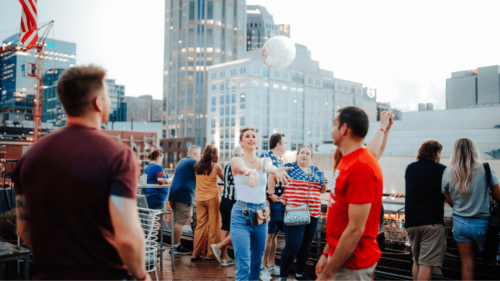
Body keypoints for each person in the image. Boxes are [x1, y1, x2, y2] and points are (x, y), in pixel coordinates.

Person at [12, 65, 151, 281]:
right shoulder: (118, 156)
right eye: (107, 95)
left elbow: (23, 230)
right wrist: (142, 276)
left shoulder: (30, 157)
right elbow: (128, 238)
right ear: (97, 102)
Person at [316, 106, 384, 281]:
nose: (331, 131)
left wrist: (329, 272)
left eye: (334, 125)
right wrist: (326, 253)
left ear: (344, 129)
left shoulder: (361, 166)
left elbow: (355, 229)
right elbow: (340, 215)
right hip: (340, 257)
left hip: (351, 264)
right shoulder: (347, 160)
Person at [230, 127, 291, 281]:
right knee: (244, 265)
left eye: (254, 136)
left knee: (257, 263)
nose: (251, 138)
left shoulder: (265, 161)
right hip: (241, 214)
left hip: (261, 214)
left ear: (257, 142)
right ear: (241, 142)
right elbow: (241, 168)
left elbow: (269, 168)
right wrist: (249, 171)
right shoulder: (236, 160)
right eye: (247, 136)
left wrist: (276, 170)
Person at [442, 138, 500, 281]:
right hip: (484, 225)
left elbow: (450, 201)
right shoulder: (485, 168)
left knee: (467, 265)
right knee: (495, 262)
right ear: (474, 150)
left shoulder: (448, 172)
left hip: (460, 224)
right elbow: (498, 196)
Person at [269, 145, 328, 281]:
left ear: (311, 157)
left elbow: (321, 191)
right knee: (293, 245)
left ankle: (299, 275)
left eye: (308, 153)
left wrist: (324, 183)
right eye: (302, 152)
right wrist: (271, 194)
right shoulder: (290, 167)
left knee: (306, 246)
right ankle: (283, 277)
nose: (305, 155)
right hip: (294, 210)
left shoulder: (315, 170)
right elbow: (272, 176)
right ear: (298, 155)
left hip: (313, 213)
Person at [405, 140, 446, 281]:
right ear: (435, 153)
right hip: (432, 222)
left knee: (416, 261)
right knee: (426, 264)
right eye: (439, 152)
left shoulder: (410, 168)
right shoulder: (442, 169)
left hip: (412, 223)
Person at [260, 133, 287, 280]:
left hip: (279, 202)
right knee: (267, 235)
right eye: (285, 142)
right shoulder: (266, 157)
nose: (287, 145)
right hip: (269, 202)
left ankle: (271, 264)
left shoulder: (281, 160)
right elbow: (264, 177)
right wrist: (267, 197)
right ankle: (262, 267)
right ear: (278, 144)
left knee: (274, 234)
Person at [211, 145, 243, 267]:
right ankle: (218, 248)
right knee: (237, 228)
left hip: (224, 200)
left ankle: (224, 257)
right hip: (234, 202)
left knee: (225, 227)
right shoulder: (239, 167)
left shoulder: (227, 165)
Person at [191, 144, 224, 261]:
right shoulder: (216, 166)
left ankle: (195, 253)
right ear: (215, 154)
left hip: (199, 198)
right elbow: (225, 179)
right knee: (214, 225)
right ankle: (210, 254)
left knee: (200, 225)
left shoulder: (197, 166)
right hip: (212, 198)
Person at [168, 145, 201, 255]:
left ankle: (174, 245)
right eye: (200, 154)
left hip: (173, 194)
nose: (200, 156)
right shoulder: (194, 162)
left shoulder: (181, 161)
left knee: (176, 221)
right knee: (180, 222)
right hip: (184, 195)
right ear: (196, 153)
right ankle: (176, 247)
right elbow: (201, 176)